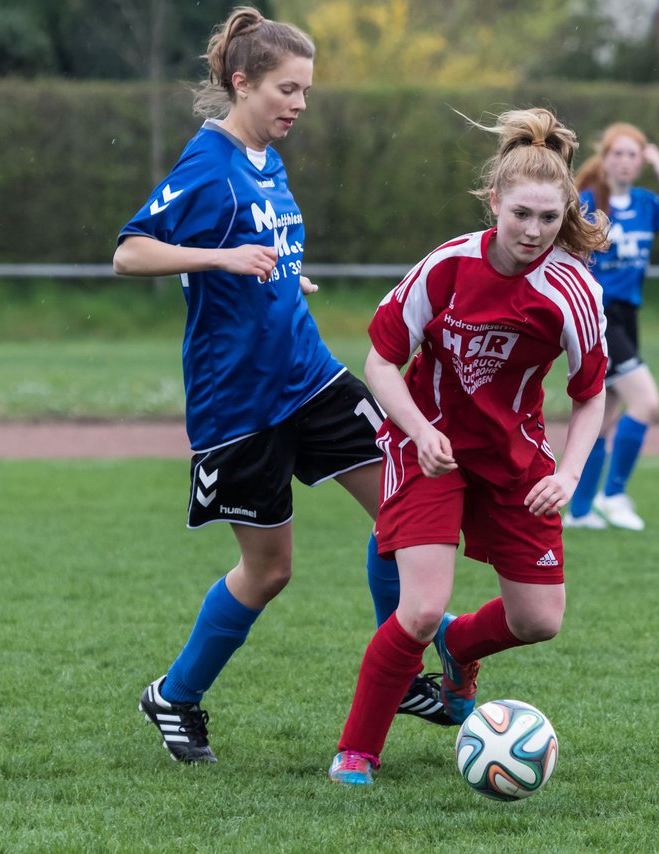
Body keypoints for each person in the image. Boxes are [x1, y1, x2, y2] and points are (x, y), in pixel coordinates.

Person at [112, 6, 450, 765]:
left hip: (311, 377)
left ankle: (398, 671)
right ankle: (174, 695)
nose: (299, 104)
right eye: (286, 89)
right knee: (270, 571)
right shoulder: (210, 163)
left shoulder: (269, 160)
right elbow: (129, 254)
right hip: (239, 403)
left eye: (306, 91)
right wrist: (220, 260)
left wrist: (285, 280)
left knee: (403, 509)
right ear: (242, 83)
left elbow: (266, 255)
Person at [327, 107, 610, 786]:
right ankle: (357, 751)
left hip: (515, 457)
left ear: (565, 211)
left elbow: (593, 394)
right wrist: (420, 431)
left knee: (539, 619)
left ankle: (458, 645)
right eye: (522, 215)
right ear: (495, 203)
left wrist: (570, 475)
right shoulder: (448, 267)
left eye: (549, 217)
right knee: (420, 606)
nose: (535, 231)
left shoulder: (573, 293)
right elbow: (378, 362)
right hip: (431, 450)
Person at [563, 123, 659, 532]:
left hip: (627, 317)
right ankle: (614, 493)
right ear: (604, 159)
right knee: (647, 401)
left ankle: (581, 511)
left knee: (602, 420)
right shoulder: (587, 204)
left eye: (633, 155)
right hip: (598, 318)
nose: (625, 161)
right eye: (617, 154)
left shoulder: (644, 204)